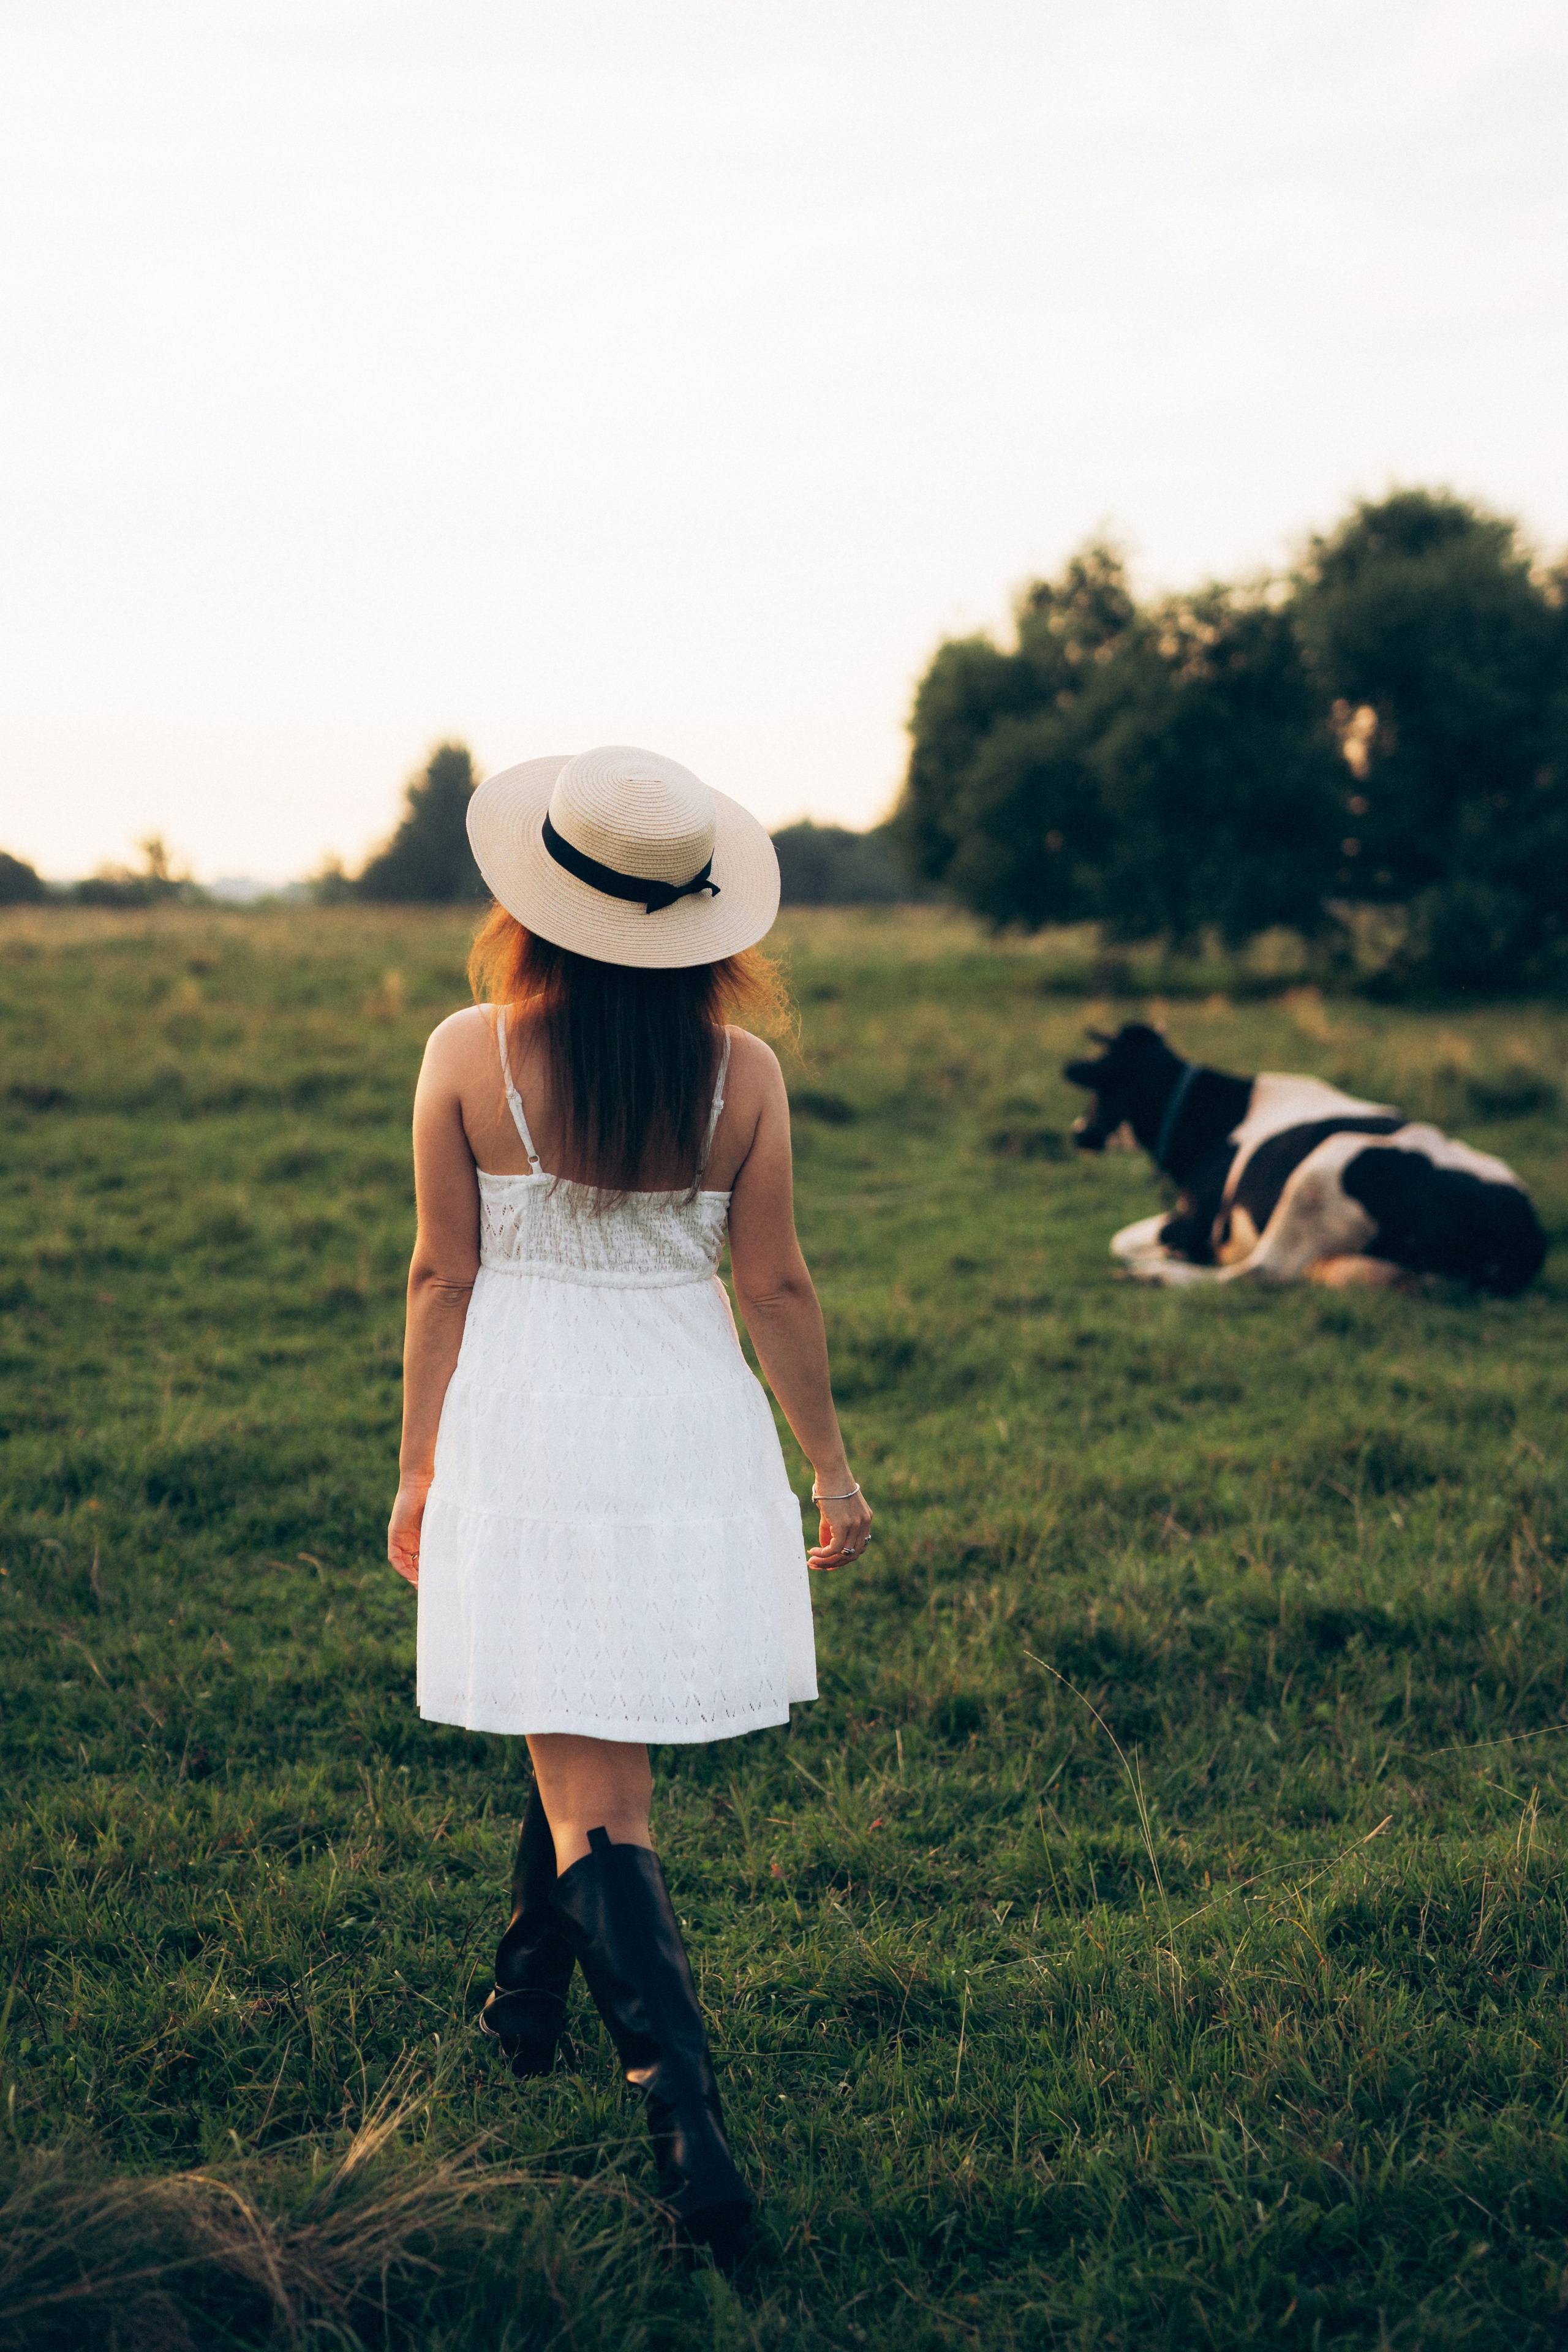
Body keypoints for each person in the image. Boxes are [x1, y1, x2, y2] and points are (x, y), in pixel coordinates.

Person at [386, 745, 872, 2263]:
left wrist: (417, 1467)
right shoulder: (742, 1072)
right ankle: (526, 1991)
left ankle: (696, 2150)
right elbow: (775, 1281)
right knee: (586, 1719)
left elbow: (439, 1274)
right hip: (682, 1430)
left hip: (530, 1425)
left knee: (598, 1789)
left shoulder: (468, 1051)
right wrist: (831, 1467)